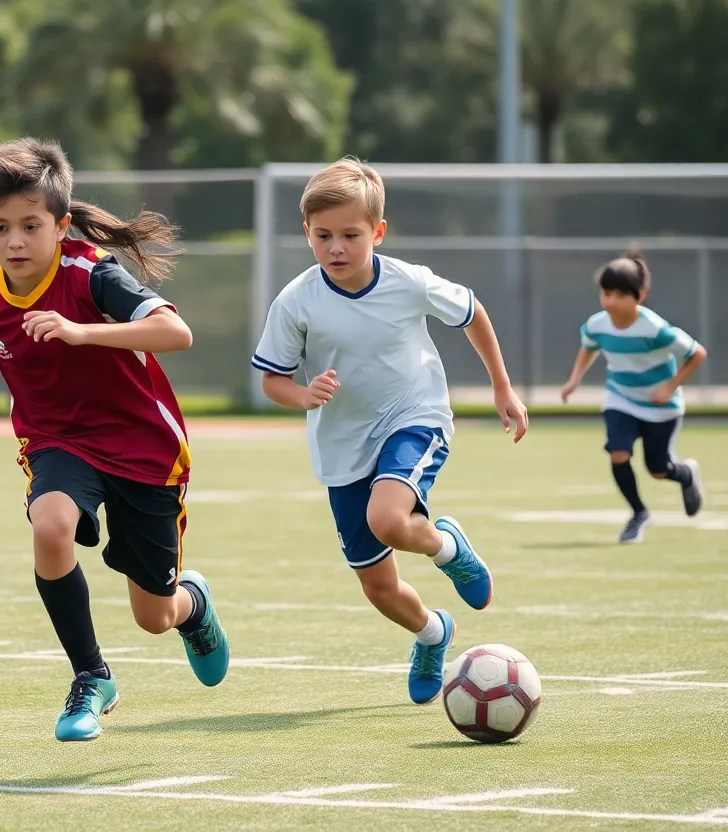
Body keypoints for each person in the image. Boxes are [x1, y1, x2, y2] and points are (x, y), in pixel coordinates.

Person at [0, 137, 230, 742]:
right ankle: (91, 676)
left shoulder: (89, 273)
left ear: (61, 224)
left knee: (154, 616)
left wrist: (79, 332)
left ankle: (193, 607)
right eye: (0, 227)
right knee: (49, 526)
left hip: (144, 447)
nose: (15, 241)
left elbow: (175, 333)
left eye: (30, 225)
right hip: (58, 441)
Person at [251, 157, 528, 705]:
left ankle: (448, 548)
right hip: (341, 446)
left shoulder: (408, 282)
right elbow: (271, 379)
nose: (336, 247)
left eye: (350, 235)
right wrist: (302, 395)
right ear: (306, 232)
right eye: (323, 235)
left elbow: (472, 313)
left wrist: (501, 386)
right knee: (377, 586)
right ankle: (432, 633)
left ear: (377, 232)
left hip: (413, 416)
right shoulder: (296, 300)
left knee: (389, 520)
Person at [560, 247, 705, 543]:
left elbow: (697, 354)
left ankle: (686, 474)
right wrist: (575, 379)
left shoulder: (655, 329)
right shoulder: (596, 324)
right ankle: (639, 513)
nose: (610, 301)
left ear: (639, 295)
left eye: (619, 294)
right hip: (620, 399)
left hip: (661, 407)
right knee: (618, 452)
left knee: (658, 469)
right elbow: (589, 347)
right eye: (606, 293)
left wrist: (670, 386)